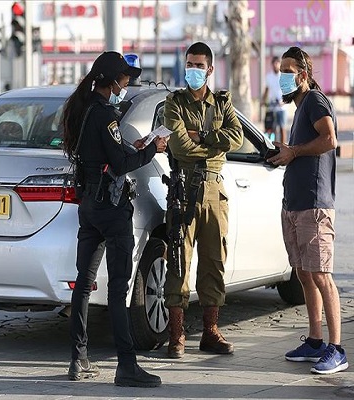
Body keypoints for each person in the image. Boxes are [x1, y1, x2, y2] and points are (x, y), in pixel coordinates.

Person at [62, 51, 168, 388]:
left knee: (83, 282)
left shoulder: (83, 110)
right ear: (111, 81)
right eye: (124, 79)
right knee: (119, 288)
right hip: (111, 208)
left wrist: (133, 146)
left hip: (89, 206)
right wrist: (154, 149)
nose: (127, 84)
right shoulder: (105, 113)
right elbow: (121, 165)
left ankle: (78, 360)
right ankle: (127, 366)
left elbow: (110, 152)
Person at [267, 46, 348, 375]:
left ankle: (337, 349)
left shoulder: (314, 100)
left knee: (321, 275)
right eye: (280, 70)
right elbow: (297, 153)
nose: (283, 76)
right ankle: (315, 341)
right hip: (295, 204)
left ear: (303, 74)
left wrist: (295, 152)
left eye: (289, 71)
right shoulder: (300, 107)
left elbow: (329, 139)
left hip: (315, 204)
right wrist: (283, 152)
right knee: (303, 273)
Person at [162, 42, 243, 359]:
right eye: (189, 64)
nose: (192, 70)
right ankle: (176, 335)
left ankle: (210, 333)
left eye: (198, 65)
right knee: (179, 262)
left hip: (214, 192)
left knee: (214, 261)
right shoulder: (174, 103)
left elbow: (235, 138)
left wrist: (204, 137)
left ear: (210, 69)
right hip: (184, 190)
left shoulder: (222, 103)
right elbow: (180, 147)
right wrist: (212, 144)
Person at [263, 56, 288, 142]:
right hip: (271, 105)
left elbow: (287, 91)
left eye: (277, 63)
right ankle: (272, 145)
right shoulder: (269, 77)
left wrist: (284, 101)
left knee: (282, 127)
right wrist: (263, 101)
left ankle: (283, 146)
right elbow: (266, 90)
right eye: (274, 63)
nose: (275, 65)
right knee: (271, 128)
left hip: (281, 106)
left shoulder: (283, 77)